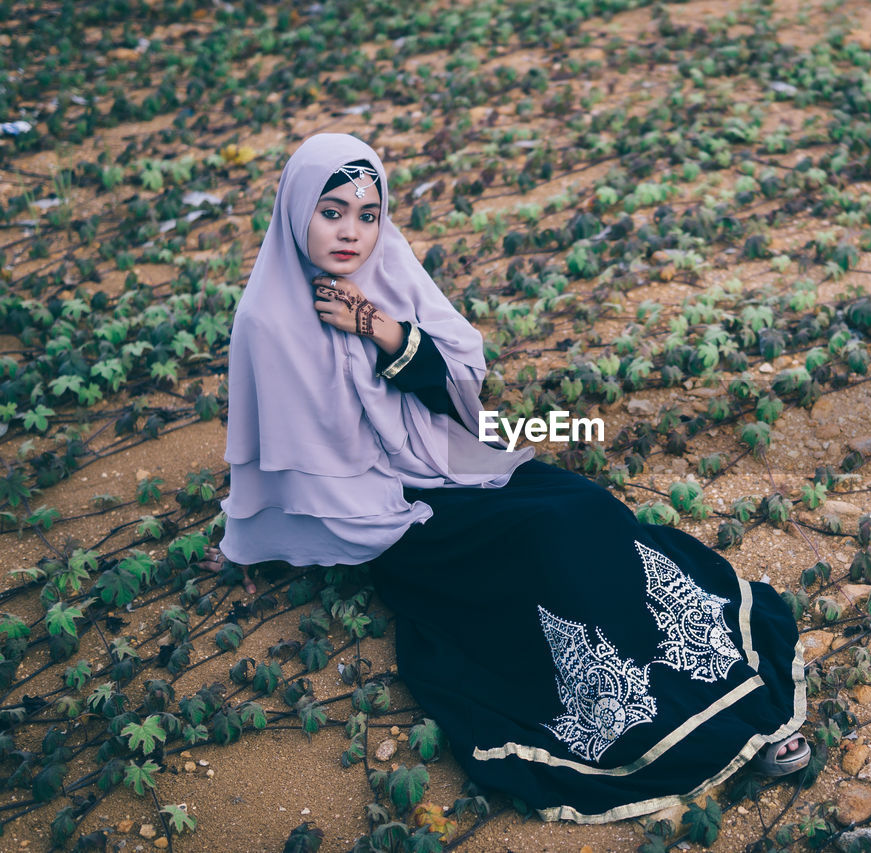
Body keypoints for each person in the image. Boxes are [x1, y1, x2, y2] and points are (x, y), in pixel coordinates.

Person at [213, 132, 809, 823]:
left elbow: (457, 390)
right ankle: (644, 726)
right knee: (542, 548)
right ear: (294, 211)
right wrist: (249, 541)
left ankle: (724, 693)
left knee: (584, 507)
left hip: (451, 460)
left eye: (367, 214)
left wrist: (384, 332)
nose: (352, 232)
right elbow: (277, 461)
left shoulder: (389, 271)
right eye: (332, 211)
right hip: (389, 514)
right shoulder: (266, 320)